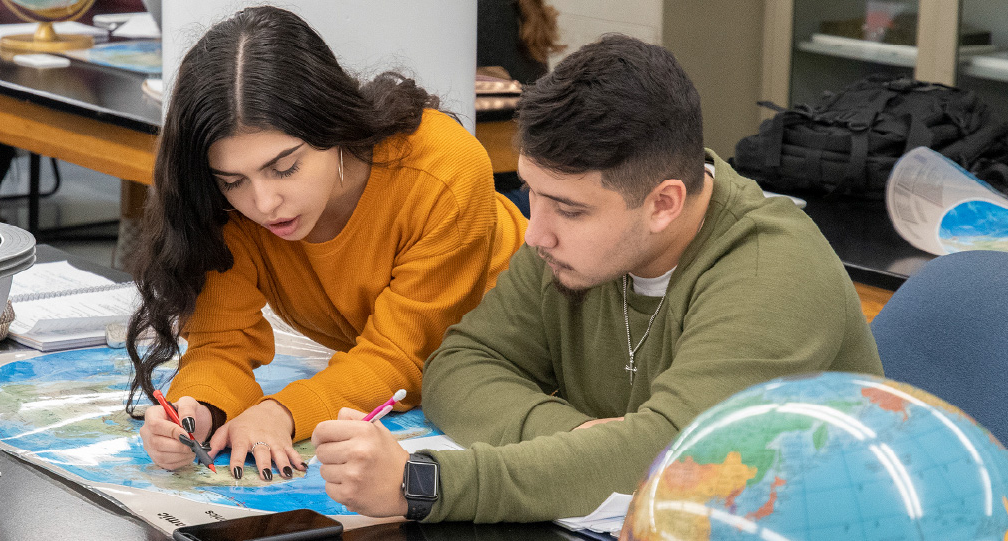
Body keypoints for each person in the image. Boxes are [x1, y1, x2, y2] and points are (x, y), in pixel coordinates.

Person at [309, 34, 883, 523]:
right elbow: (460, 364)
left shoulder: (770, 275)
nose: (536, 234)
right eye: (532, 194)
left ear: (663, 203)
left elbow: (671, 462)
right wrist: (575, 435)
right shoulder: (580, 245)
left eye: (569, 209)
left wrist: (422, 483)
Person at [128, 6, 529, 482]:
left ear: (333, 124)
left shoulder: (444, 169)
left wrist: (282, 411)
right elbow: (221, 341)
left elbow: (403, 356)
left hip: (525, 351)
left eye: (285, 167)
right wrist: (197, 409)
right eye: (233, 180)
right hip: (410, 373)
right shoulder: (225, 204)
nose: (264, 202)